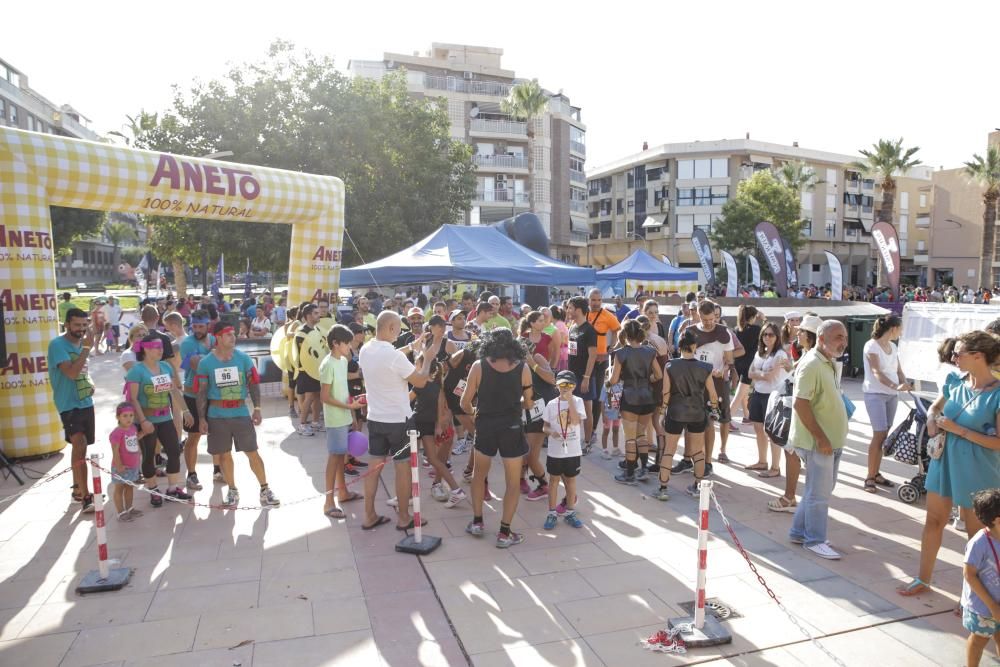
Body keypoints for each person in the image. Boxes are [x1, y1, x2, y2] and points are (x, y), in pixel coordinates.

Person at [899, 331, 1000, 597]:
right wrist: (932, 418)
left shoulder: (998, 395)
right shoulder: (955, 381)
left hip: (979, 467)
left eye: (958, 353)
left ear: (978, 356)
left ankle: (974, 595)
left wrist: (958, 430)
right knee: (933, 520)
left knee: (976, 533)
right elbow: (935, 407)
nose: (953, 357)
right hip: (944, 461)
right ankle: (923, 579)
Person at [358, 310, 438, 531]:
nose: (399, 333)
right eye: (398, 330)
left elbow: (392, 356)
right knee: (403, 468)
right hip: (399, 420)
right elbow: (420, 382)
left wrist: (412, 347)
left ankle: (369, 515)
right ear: (391, 328)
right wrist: (427, 359)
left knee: (374, 468)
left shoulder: (366, 349)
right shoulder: (394, 357)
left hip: (375, 418)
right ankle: (403, 517)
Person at [195, 321, 280, 509]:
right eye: (228, 334)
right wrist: (201, 418)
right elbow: (201, 392)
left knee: (252, 452)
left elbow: (253, 384)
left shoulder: (243, 358)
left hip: (241, 413)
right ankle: (232, 490)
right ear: (218, 337)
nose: (233, 337)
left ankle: (265, 489)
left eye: (234, 334)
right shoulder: (206, 363)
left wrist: (257, 408)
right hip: (217, 415)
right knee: (224, 455)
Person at [461, 327, 533, 548]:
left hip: (485, 426)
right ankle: (504, 533)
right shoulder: (523, 368)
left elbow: (464, 402)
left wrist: (477, 414)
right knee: (512, 483)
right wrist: (511, 404)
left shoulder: (478, 366)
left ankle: (477, 522)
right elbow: (529, 404)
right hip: (511, 426)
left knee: (478, 476)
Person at [788, 320, 850, 560]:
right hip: (819, 443)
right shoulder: (813, 364)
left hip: (830, 442)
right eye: (837, 337)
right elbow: (800, 404)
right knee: (819, 493)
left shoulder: (828, 362)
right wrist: (821, 438)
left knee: (819, 489)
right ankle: (814, 540)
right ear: (822, 339)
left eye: (844, 337)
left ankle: (798, 532)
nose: (843, 342)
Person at [126, 334, 194, 506]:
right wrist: (142, 421)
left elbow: (174, 390)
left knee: (173, 451)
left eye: (162, 347)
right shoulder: (137, 370)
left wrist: (186, 410)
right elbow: (132, 399)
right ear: (146, 349)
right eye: (157, 347)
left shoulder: (165, 366)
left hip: (165, 418)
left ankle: (173, 489)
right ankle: (153, 489)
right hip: (146, 420)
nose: (161, 350)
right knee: (149, 456)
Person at [655, 329, 718, 500]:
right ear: (694, 345)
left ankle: (663, 488)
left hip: (675, 412)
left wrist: (662, 412)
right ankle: (697, 486)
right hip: (697, 412)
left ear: (680, 345)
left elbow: (665, 392)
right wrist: (714, 409)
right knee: (698, 452)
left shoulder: (670, 365)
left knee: (669, 450)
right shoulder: (705, 367)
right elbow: (712, 394)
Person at [768, 314, 821, 513]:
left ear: (810, 335)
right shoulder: (811, 355)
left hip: (805, 413)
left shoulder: (812, 358)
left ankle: (790, 497)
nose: (797, 332)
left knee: (792, 453)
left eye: (801, 331)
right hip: (805, 413)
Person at [48, 308, 98, 512]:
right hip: (68, 404)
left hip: (85, 402)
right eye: (77, 325)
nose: (81, 329)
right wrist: (87, 349)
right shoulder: (57, 345)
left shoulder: (81, 343)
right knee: (80, 443)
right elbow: (70, 372)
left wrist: (90, 383)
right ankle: (86, 496)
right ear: (66, 324)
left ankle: (78, 489)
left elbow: (83, 372)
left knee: (81, 447)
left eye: (84, 325)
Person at [318, 325, 365, 519]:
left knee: (340, 458)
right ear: (336, 344)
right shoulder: (327, 364)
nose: (349, 346)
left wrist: (352, 412)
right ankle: (328, 503)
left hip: (344, 416)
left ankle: (343, 493)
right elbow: (325, 397)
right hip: (334, 419)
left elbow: (343, 392)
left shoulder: (343, 362)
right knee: (334, 458)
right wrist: (349, 408)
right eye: (346, 343)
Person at [862, 314, 912, 494]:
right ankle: (869, 476)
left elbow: (898, 370)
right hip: (875, 394)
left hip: (892, 396)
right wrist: (895, 385)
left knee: (884, 435)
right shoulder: (871, 345)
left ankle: (875, 473)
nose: (902, 332)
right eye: (901, 328)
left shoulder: (893, 346)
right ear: (893, 329)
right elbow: (876, 372)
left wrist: (905, 384)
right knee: (879, 434)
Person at [613, 320, 662, 485]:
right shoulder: (649, 351)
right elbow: (659, 375)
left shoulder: (621, 353)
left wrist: (607, 383)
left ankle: (629, 474)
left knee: (630, 438)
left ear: (625, 334)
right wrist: (648, 380)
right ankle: (643, 469)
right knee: (641, 435)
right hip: (647, 397)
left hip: (629, 397)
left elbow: (613, 379)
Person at [542, 370, 586, 530]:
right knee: (553, 481)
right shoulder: (551, 404)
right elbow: (544, 426)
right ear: (557, 385)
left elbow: (576, 421)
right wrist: (551, 432)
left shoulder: (578, 401)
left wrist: (570, 403)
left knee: (571, 481)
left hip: (573, 451)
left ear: (574, 386)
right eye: (562, 384)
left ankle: (570, 512)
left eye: (569, 385)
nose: (565, 388)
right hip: (555, 450)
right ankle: (552, 512)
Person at [961, 488, 1000, 667]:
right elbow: (969, 574)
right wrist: (992, 606)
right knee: (979, 640)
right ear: (998, 520)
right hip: (983, 606)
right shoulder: (979, 543)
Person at [745, 322, 790, 476]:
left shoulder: (780, 355)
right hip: (758, 393)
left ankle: (775, 468)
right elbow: (750, 373)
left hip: (773, 396)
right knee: (759, 430)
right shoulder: (760, 353)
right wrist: (761, 374)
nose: (767, 337)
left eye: (771, 334)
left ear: (777, 336)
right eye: (765, 334)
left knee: (772, 432)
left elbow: (771, 377)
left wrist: (760, 374)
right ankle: (762, 461)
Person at [178, 311, 217, 489]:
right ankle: (191, 475)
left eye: (201, 326)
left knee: (216, 434)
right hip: (192, 395)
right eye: (194, 326)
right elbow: (197, 366)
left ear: (208, 325)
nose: (197, 330)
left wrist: (207, 357)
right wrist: (213, 356)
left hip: (213, 395)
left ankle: (218, 470)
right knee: (193, 437)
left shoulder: (215, 340)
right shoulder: (187, 343)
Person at [586, 289, 622, 447]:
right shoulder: (584, 314)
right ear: (589, 300)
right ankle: (587, 428)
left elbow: (616, 330)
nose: (596, 303)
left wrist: (612, 346)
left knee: (596, 395)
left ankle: (593, 429)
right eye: (593, 300)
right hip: (585, 359)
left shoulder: (608, 315)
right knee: (586, 393)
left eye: (599, 300)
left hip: (600, 360)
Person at [566, 296, 599, 447]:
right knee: (572, 408)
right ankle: (574, 439)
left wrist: (586, 377)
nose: (568, 310)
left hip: (585, 376)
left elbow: (593, 355)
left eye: (570, 307)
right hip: (572, 376)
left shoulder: (590, 330)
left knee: (586, 409)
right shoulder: (572, 327)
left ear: (578, 310)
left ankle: (587, 441)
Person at [109, 403, 142, 522]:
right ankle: (121, 512)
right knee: (119, 488)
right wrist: (118, 465)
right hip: (121, 467)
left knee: (130, 487)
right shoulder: (116, 433)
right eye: (125, 416)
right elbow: (115, 450)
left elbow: (134, 441)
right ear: (118, 417)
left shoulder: (133, 428)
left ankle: (129, 508)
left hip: (132, 466)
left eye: (131, 415)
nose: (129, 418)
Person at [294, 304, 322, 436]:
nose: (319, 315)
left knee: (317, 396)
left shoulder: (316, 330)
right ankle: (302, 424)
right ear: (308, 316)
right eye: (316, 313)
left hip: (316, 369)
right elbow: (303, 355)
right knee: (310, 396)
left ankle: (315, 422)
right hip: (305, 370)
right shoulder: (301, 333)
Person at [731, 305, 762, 425]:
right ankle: (727, 420)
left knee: (743, 393)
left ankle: (747, 415)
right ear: (753, 317)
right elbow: (769, 333)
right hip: (749, 366)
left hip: (738, 364)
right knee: (739, 395)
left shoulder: (736, 329)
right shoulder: (756, 329)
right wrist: (764, 319)